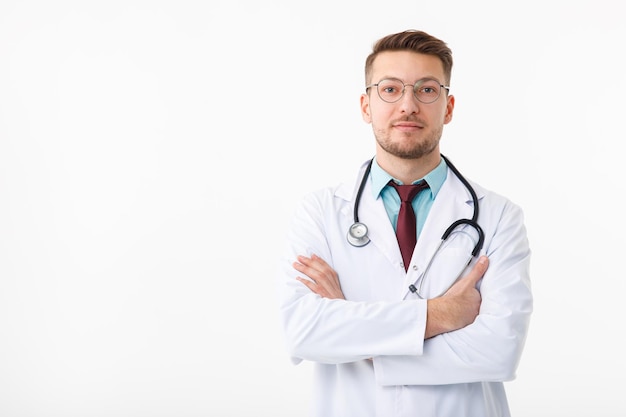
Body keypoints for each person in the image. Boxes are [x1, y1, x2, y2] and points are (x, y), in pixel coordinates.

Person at [276, 29, 532, 417]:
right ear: (366, 106)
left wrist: (355, 334)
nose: (408, 105)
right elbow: (303, 332)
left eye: (427, 90)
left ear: (448, 107)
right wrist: (441, 314)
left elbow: (499, 350)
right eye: (390, 89)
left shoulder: (498, 217)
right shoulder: (320, 212)